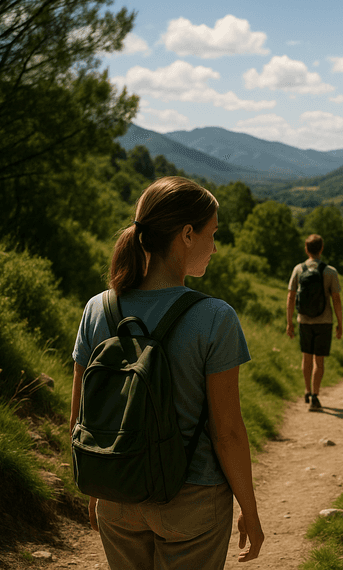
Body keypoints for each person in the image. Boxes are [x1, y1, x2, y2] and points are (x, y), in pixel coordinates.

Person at [69, 176, 264, 568]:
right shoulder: (214, 317)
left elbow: (80, 417)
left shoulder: (98, 308)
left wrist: (100, 486)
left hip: (117, 494)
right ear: (187, 235)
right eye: (212, 234)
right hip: (192, 501)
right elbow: (226, 432)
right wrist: (250, 509)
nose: (215, 246)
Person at [286, 234, 343, 411]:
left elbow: (290, 297)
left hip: (304, 320)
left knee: (306, 358)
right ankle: (315, 397)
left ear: (306, 249)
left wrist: (289, 323)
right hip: (324, 321)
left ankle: (307, 390)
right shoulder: (330, 271)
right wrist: (340, 323)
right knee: (319, 361)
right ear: (321, 249)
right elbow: (336, 300)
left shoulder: (298, 269)